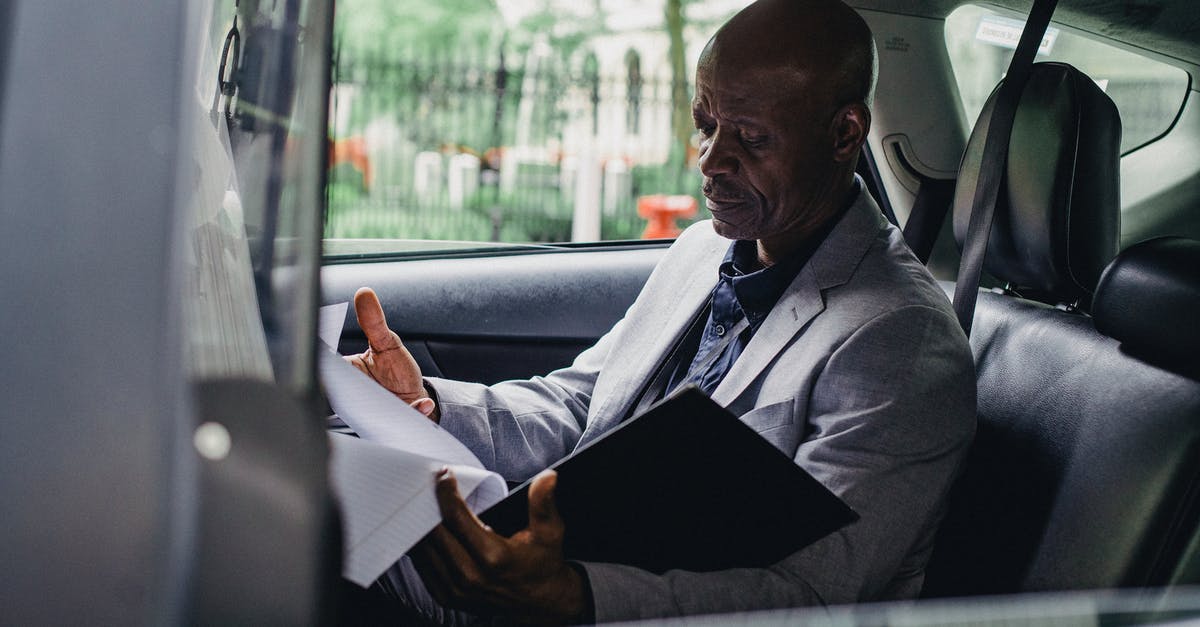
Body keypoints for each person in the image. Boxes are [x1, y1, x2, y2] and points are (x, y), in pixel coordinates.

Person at [346, 0, 976, 622]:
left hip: (615, 608)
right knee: (312, 503)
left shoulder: (901, 340)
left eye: (752, 139)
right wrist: (426, 402)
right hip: (565, 577)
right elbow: (581, 408)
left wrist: (572, 596)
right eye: (707, 126)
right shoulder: (705, 250)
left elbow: (812, 594)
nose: (711, 160)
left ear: (844, 135)